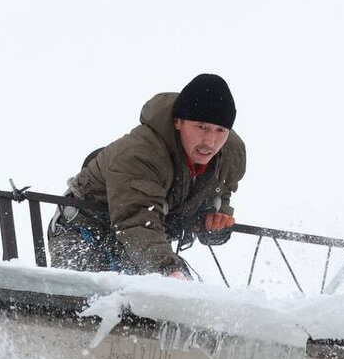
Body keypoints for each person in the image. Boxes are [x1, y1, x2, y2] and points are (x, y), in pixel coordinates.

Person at [48, 74, 246, 278]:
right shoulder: (140, 154)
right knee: (87, 302)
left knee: (172, 300)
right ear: (179, 122)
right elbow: (136, 218)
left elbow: (220, 195)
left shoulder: (231, 157)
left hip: (145, 240)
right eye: (201, 127)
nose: (211, 142)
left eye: (220, 130)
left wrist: (214, 224)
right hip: (87, 233)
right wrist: (167, 269)